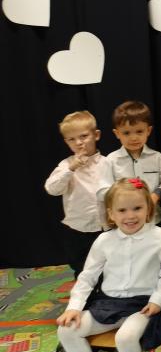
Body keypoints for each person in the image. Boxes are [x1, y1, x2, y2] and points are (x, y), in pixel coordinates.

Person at [57, 178, 161, 352]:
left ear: (148, 209)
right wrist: (74, 307)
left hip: (143, 305)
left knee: (125, 337)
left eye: (137, 208)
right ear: (111, 214)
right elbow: (87, 277)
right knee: (66, 330)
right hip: (108, 304)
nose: (130, 216)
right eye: (122, 210)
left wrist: (158, 300)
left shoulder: (160, 236)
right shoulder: (104, 240)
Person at [45, 110, 110, 277]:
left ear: (96, 135)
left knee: (108, 263)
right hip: (77, 228)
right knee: (81, 265)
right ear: (66, 142)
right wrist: (71, 169)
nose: (79, 143)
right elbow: (52, 189)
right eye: (72, 139)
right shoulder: (65, 165)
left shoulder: (108, 163)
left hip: (105, 226)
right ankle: (84, 288)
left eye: (83, 136)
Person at [99, 101, 161, 225]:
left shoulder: (158, 158)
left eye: (139, 131)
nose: (134, 138)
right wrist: (121, 196)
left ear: (148, 131)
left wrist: (155, 195)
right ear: (117, 133)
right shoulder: (111, 160)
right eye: (126, 133)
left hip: (152, 220)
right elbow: (103, 190)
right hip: (124, 222)